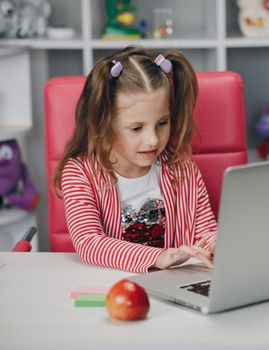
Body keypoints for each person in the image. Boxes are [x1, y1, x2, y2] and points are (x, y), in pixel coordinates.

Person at [53, 47, 216, 273]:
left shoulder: (181, 166)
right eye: (136, 128)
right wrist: (159, 257)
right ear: (104, 123)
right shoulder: (80, 174)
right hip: (111, 286)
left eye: (162, 123)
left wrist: (217, 245)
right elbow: (89, 242)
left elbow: (205, 229)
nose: (152, 140)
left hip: (175, 283)